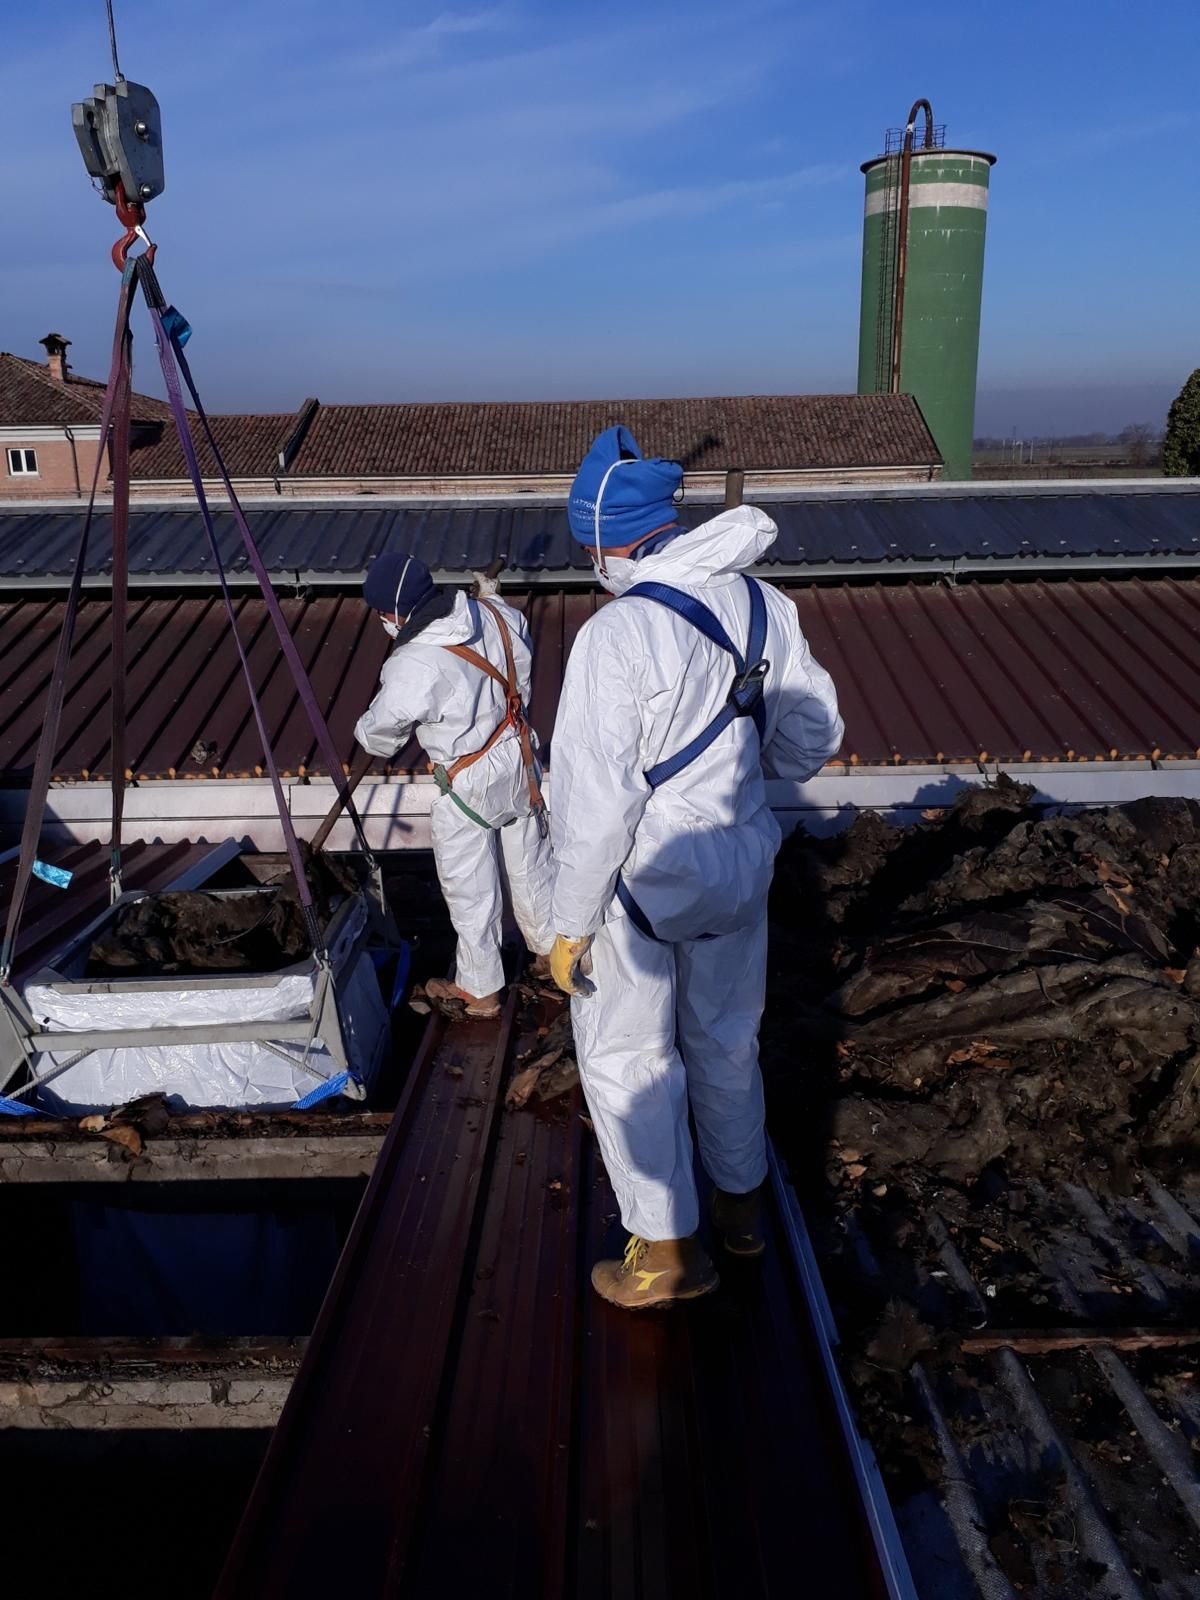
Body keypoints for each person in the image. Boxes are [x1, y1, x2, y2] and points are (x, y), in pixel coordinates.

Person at [548, 427, 844, 1309]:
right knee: (725, 1041)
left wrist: (568, 923)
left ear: (612, 544)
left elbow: (593, 805)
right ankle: (744, 1213)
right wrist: (755, 773)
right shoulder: (763, 606)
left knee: (629, 1058)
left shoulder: (616, 636)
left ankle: (667, 1256)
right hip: (742, 866)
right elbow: (812, 738)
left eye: (587, 548)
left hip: (645, 884)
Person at [355, 551, 555, 1017]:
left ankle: (481, 989)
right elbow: (506, 624)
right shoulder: (499, 617)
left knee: (471, 887)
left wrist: (363, 729)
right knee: (531, 862)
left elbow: (380, 737)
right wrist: (489, 593)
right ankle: (550, 950)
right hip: (521, 759)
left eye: (383, 614)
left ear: (395, 612)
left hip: (468, 783)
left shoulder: (413, 663)